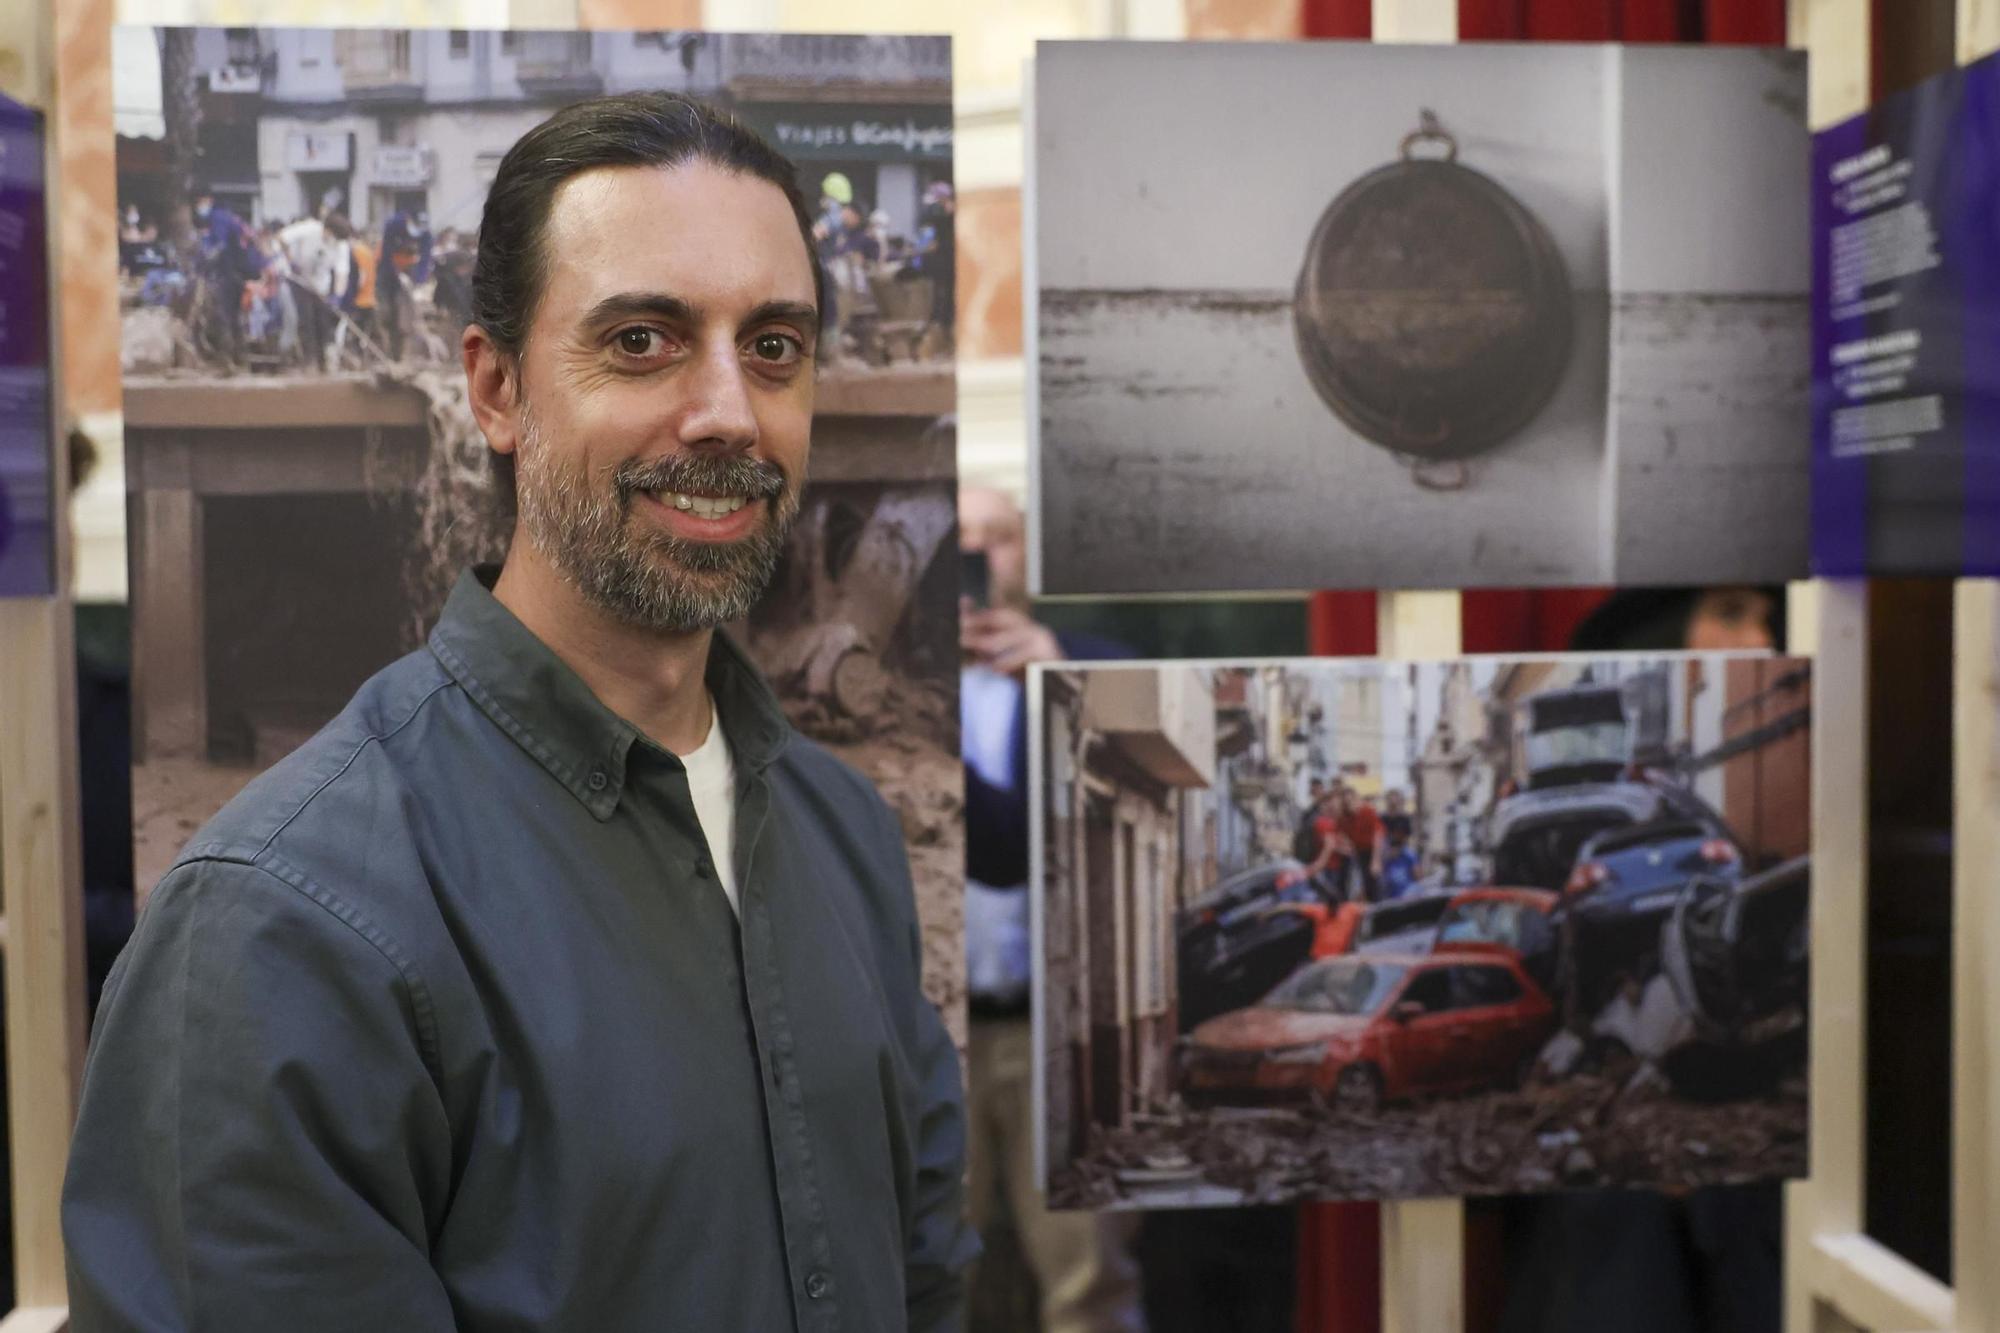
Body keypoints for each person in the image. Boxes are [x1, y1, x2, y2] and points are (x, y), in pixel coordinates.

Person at [63, 91, 976, 1332]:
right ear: (494, 390)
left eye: (772, 346)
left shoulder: (845, 835)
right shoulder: (278, 925)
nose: (728, 410)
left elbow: (920, 1272)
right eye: (643, 340)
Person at [959, 485, 1146, 1333]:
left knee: (1088, 1284)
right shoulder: (880, 681)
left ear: (1030, 555)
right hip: (925, 1032)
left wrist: (1059, 679)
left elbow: (1131, 804)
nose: (977, 554)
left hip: (1059, 1031)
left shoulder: (1090, 667)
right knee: (913, 1284)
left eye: (997, 536)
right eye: (960, 537)